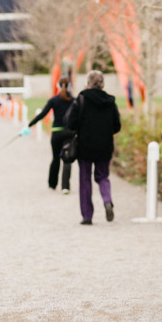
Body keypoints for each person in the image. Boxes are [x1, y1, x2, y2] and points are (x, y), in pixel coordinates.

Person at [64, 70, 122, 225]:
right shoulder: (110, 101)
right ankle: (107, 200)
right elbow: (117, 126)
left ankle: (87, 216)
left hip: (85, 146)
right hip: (105, 146)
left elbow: (70, 123)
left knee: (85, 180)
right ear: (102, 83)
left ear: (88, 82)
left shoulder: (82, 99)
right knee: (103, 176)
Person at [24, 76, 75, 193]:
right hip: (69, 133)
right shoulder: (73, 100)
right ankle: (65, 186)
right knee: (67, 159)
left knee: (55, 158)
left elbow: (42, 114)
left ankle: (52, 183)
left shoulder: (54, 100)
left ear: (58, 85)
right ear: (69, 86)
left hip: (56, 132)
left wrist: (30, 124)